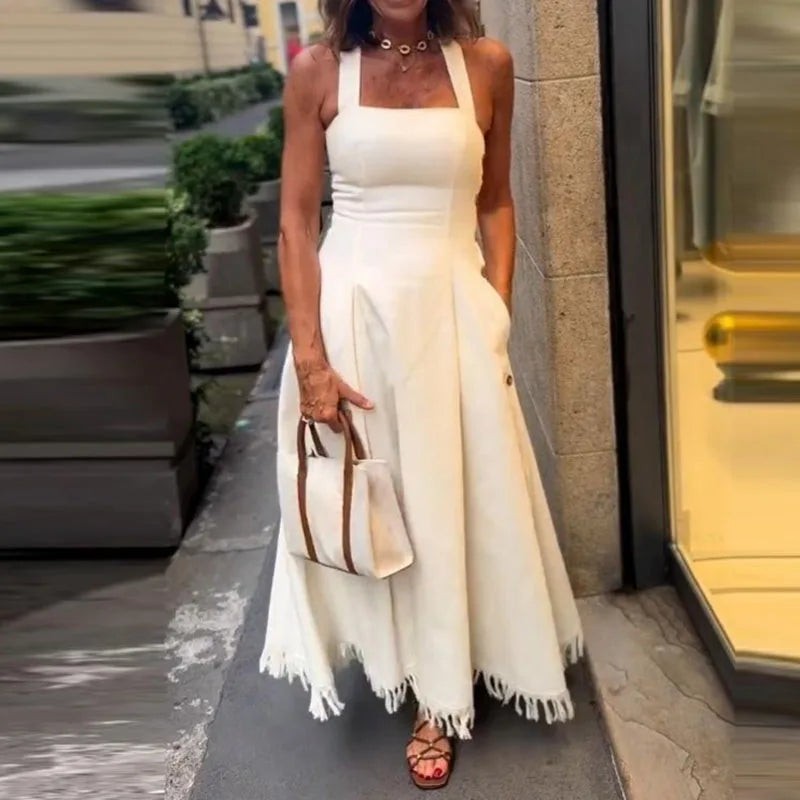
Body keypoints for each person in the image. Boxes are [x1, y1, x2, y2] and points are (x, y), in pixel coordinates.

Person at [260, 0, 583, 789]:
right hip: (352, 324)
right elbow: (296, 226)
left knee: (456, 497)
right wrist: (310, 361)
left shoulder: (489, 65)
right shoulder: (315, 73)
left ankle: (443, 691)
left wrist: (495, 310)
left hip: (455, 315)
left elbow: (496, 201)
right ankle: (403, 664)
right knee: (381, 498)